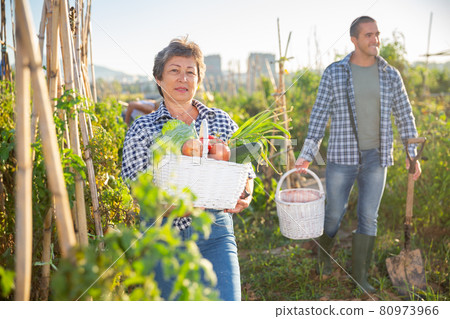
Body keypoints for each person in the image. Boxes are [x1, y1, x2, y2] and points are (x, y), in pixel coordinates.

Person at [121, 37, 254, 300]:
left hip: (215, 232)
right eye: (174, 71)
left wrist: (247, 191)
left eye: (190, 72)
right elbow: (134, 184)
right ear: (159, 79)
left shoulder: (221, 120)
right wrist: (167, 205)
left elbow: (246, 167)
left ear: (198, 80)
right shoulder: (143, 128)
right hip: (163, 238)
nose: (183, 78)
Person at [295, 16, 421, 293]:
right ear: (353, 40)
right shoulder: (334, 73)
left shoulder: (390, 74)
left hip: (377, 158)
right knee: (333, 215)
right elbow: (319, 116)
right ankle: (323, 260)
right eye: (368, 35)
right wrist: (307, 154)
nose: (375, 40)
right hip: (342, 156)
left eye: (377, 34)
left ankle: (359, 278)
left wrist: (412, 155)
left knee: (368, 217)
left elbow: (405, 117)